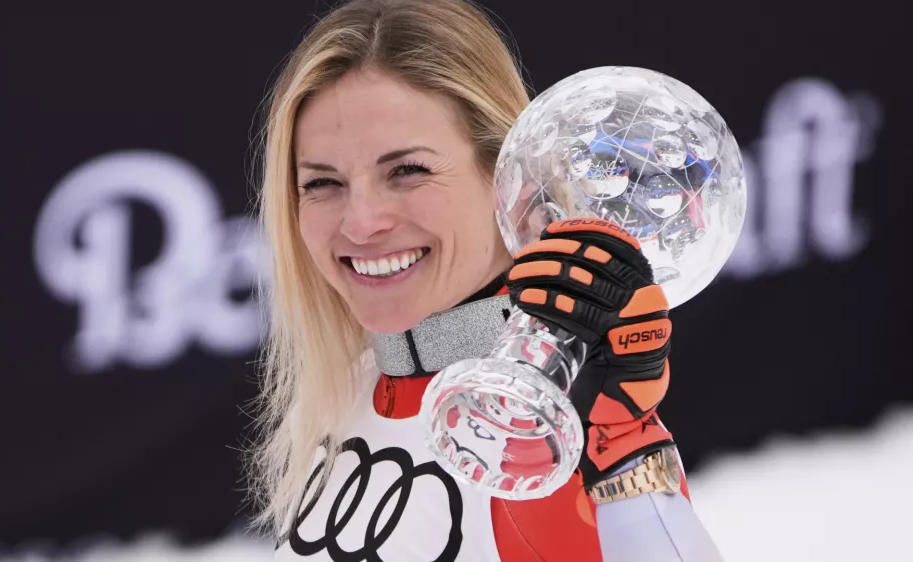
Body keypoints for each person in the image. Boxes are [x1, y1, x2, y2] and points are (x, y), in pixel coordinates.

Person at [250, 0, 724, 560]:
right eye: (323, 183)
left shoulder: (536, 427)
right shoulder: (352, 388)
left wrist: (620, 453)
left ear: (511, 179)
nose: (361, 222)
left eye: (407, 171)